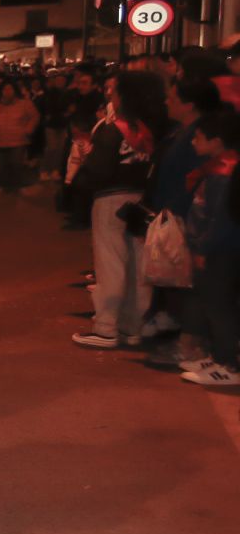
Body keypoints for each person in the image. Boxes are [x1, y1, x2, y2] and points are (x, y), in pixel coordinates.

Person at [72, 72, 168, 349]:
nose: (110, 97)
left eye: (113, 92)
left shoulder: (113, 129)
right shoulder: (149, 129)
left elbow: (99, 170)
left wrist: (84, 171)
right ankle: (132, 326)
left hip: (110, 199)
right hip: (140, 201)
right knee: (137, 265)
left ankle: (105, 327)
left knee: (110, 262)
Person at [0, 80, 40, 193]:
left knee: (16, 164)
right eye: (5, 89)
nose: (7, 92)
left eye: (10, 89)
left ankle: (15, 187)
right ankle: (5, 186)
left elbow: (34, 117)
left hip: (18, 140)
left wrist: (28, 129)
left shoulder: (24, 103)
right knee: (2, 165)